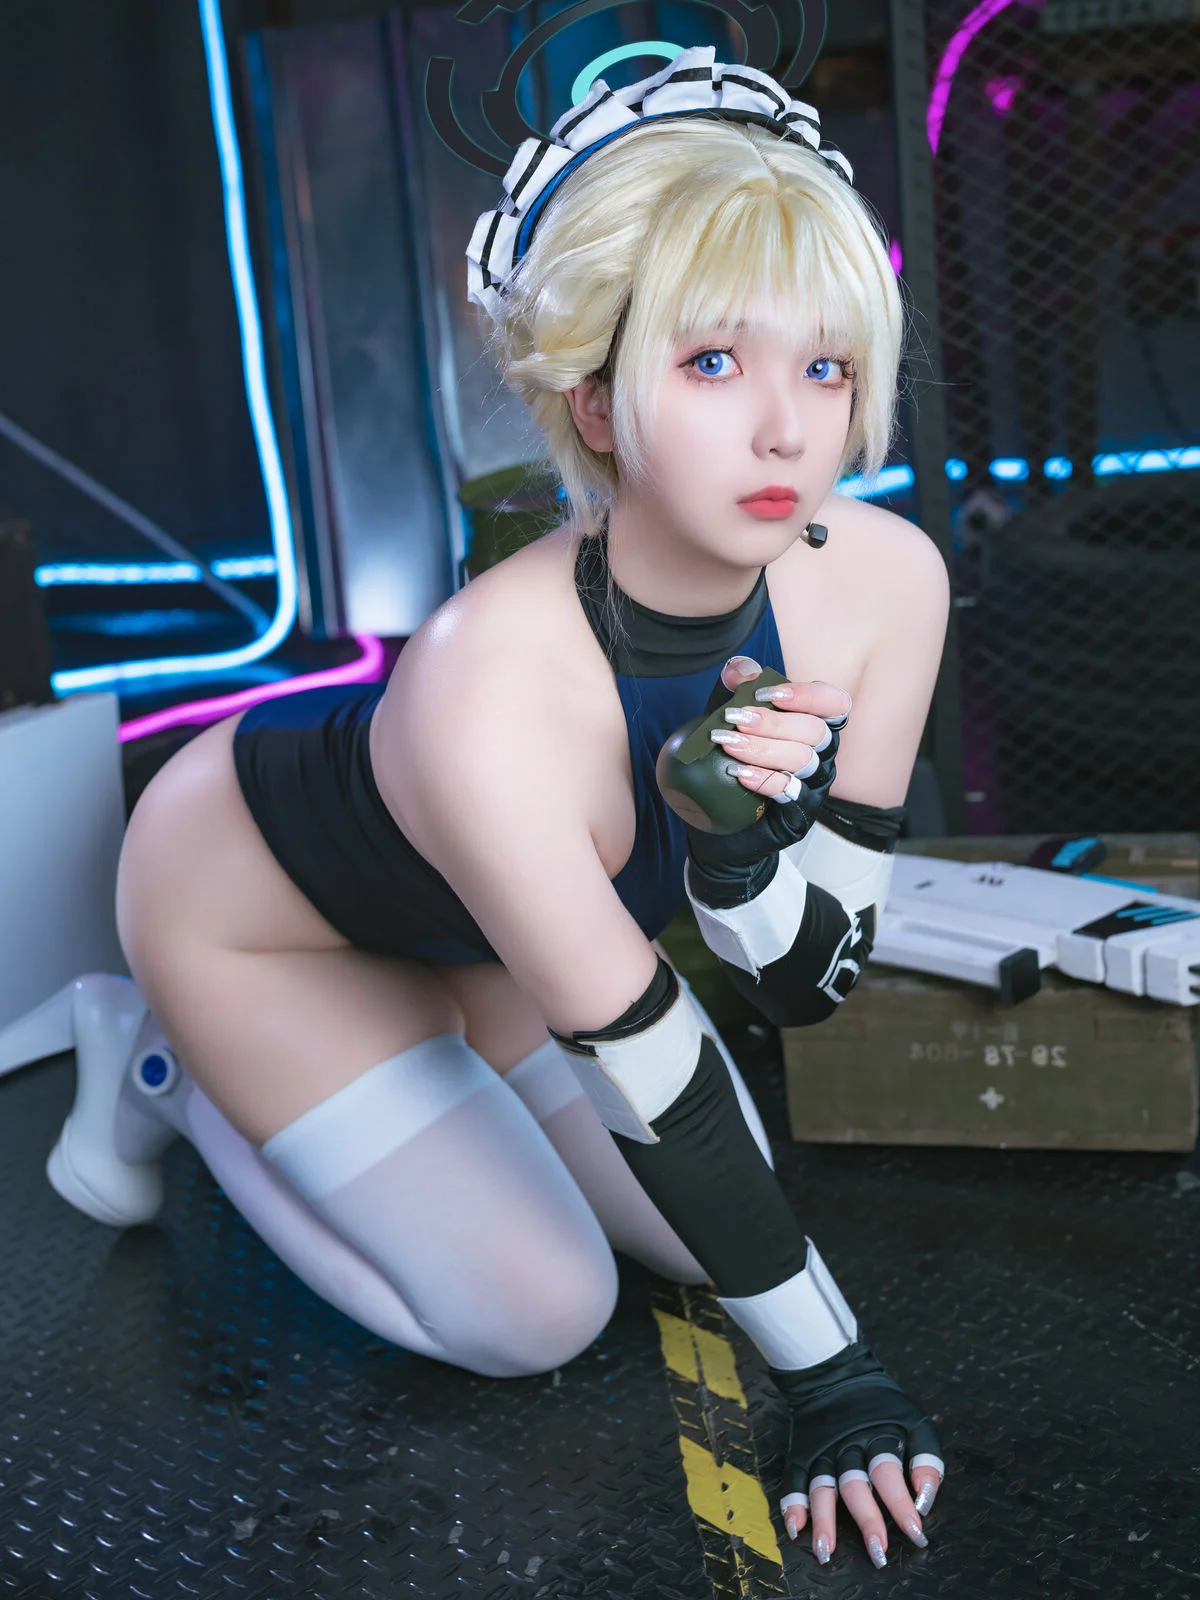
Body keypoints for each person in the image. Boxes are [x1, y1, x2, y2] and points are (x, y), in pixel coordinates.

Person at [43, 48, 950, 1570]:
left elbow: (808, 985)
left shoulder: (885, 583)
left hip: (484, 940)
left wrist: (738, 842)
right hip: (259, 917)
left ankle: (417, 1041)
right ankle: (167, 1060)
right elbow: (662, 1083)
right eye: (713, 364)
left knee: (717, 1233)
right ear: (594, 399)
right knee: (540, 1313)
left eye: (826, 367)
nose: (787, 432)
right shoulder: (490, 681)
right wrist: (838, 1383)